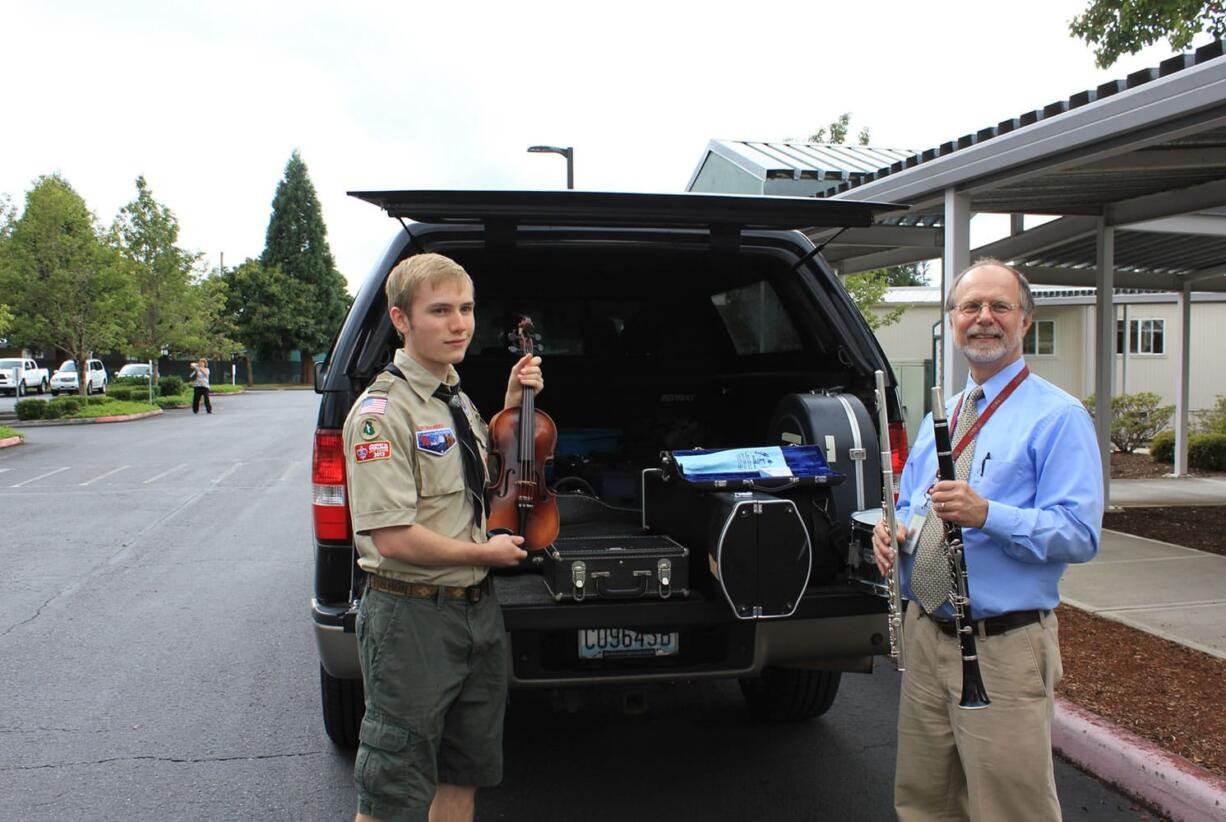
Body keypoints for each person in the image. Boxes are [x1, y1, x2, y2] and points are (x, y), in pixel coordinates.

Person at [873, 259, 1102, 822]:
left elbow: (1078, 534)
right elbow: (915, 503)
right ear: (952, 321)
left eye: (1000, 306)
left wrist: (987, 514)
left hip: (1001, 647)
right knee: (925, 803)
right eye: (970, 307)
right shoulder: (942, 414)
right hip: (928, 636)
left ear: (1025, 320)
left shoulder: (1059, 417)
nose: (984, 319)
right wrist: (892, 528)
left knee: (1010, 810)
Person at [343, 252, 542, 822]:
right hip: (411, 620)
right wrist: (486, 553)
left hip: (475, 613)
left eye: (466, 308)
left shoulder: (456, 397)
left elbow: (478, 481)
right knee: (393, 791)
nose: (459, 324)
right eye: (439, 310)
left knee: (462, 775)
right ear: (401, 320)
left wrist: (510, 404)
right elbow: (393, 538)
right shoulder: (382, 413)